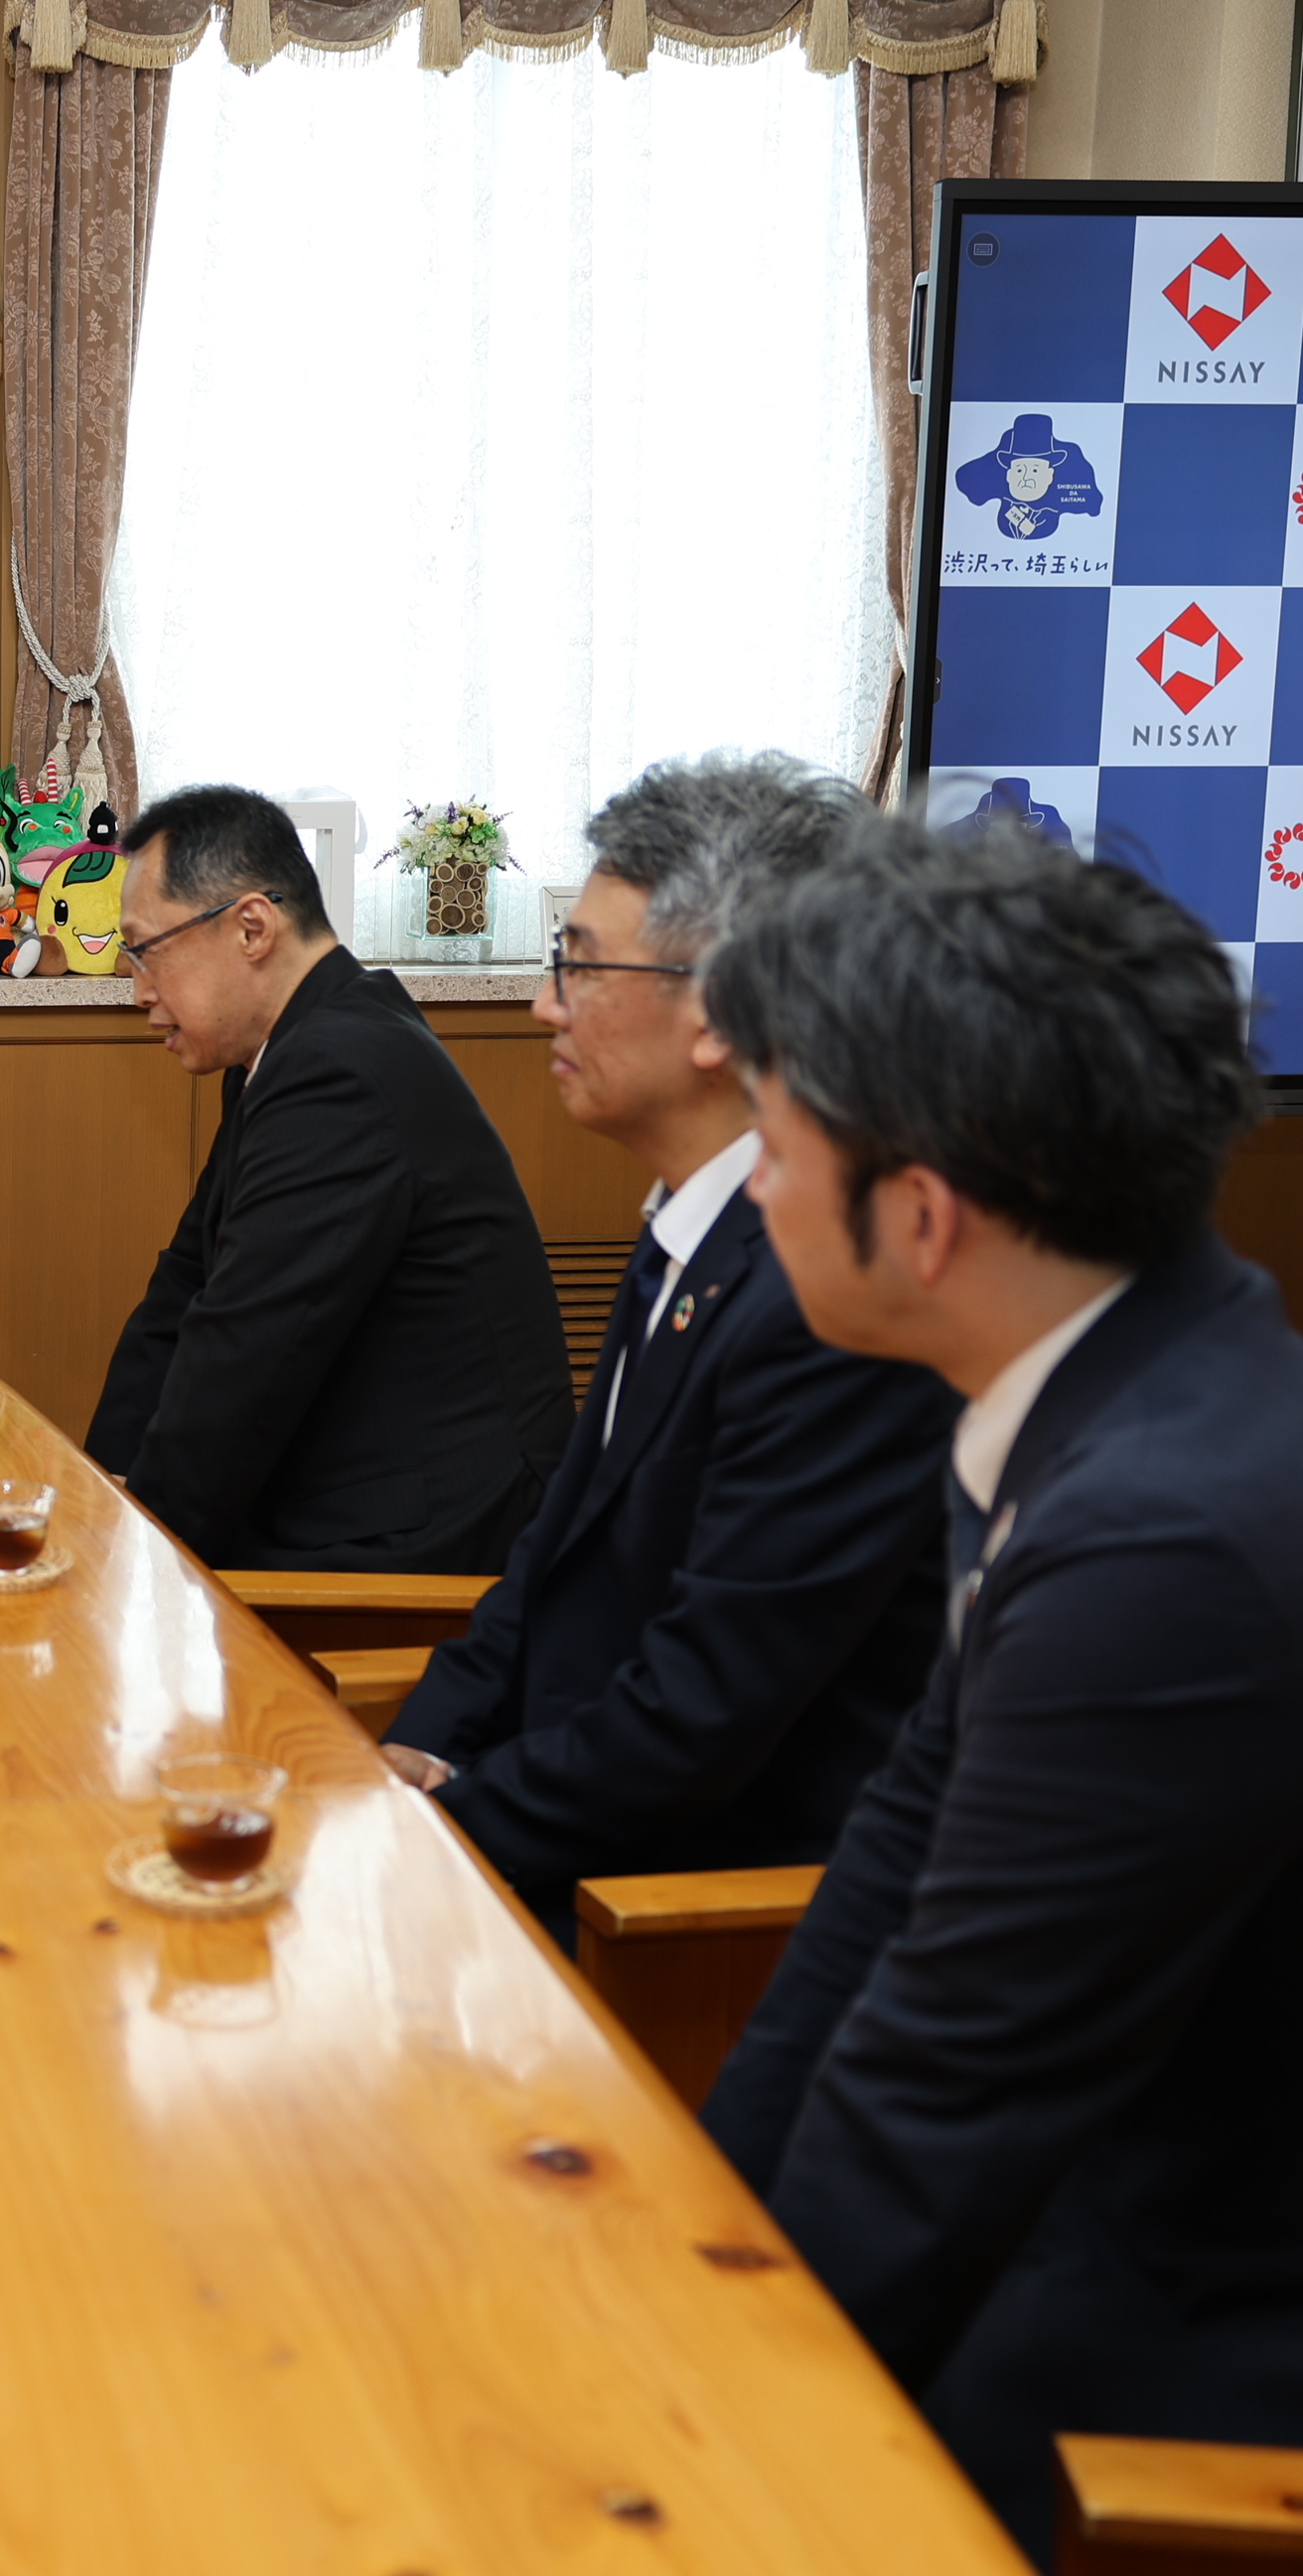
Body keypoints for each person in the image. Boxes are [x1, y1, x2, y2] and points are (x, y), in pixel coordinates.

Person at [695, 826, 1303, 2558]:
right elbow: (889, 1883)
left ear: (919, 1216)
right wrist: (703, 2241)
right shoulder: (1103, 1374)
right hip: (1221, 2175)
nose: (750, 1187)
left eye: (770, 1142)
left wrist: (693, 2405)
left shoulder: (1168, 1534)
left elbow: (952, 2085)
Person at [379, 757, 954, 1940]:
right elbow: (551, 1563)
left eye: (580, 964)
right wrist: (420, 1745)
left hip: (690, 1922)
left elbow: (701, 1710)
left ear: (723, 1007)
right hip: (564, 1832)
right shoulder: (693, 1219)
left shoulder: (828, 1295)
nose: (546, 1003)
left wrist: (448, 1833)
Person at [83, 786, 567, 1572]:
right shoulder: (292, 1048)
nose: (137, 988)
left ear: (250, 927)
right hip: (356, 1494)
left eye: (145, 951)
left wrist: (124, 1559)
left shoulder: (337, 1071)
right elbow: (184, 1296)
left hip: (425, 1541)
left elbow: (244, 1364)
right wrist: (94, 1493)